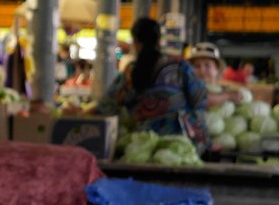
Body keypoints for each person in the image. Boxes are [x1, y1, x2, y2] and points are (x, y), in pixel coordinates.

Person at [95, 17, 209, 151]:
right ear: (159, 40)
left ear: (135, 42)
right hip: (181, 142)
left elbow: (106, 106)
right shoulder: (179, 66)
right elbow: (201, 99)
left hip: (142, 144)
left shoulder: (131, 71)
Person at [187, 42, 244, 107]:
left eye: (207, 65)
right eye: (197, 66)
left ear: (217, 68)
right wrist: (228, 96)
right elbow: (201, 100)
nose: (202, 71)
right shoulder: (186, 91)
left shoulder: (227, 90)